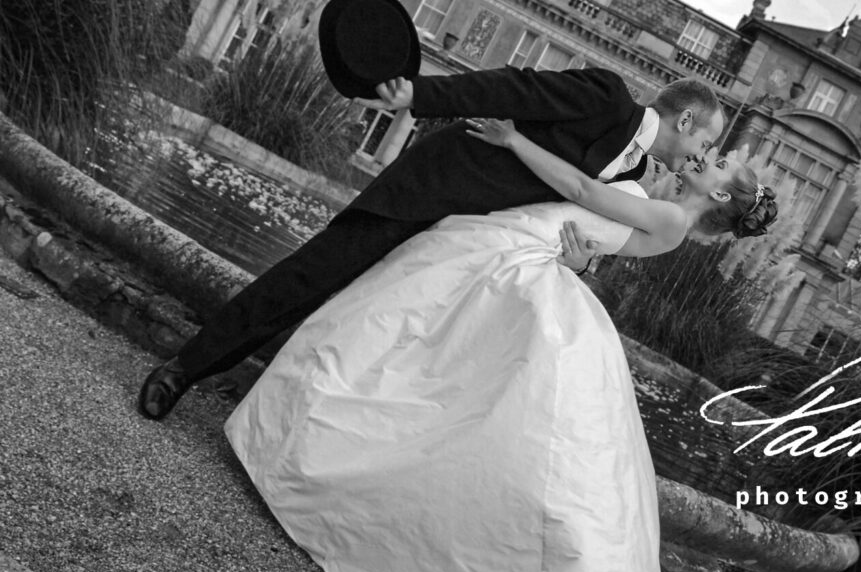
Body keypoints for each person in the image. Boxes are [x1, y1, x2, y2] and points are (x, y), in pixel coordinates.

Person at [223, 116, 776, 572]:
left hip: (516, 261)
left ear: (721, 197)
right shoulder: (660, 199)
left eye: (721, 163)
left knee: (421, 361)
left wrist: (514, 141)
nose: (712, 155)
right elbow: (595, 245)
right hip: (513, 246)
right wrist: (584, 264)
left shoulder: (673, 222)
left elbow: (583, 191)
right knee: (410, 357)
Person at [138, 67, 727, 421]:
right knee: (308, 277)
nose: (702, 154)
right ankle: (183, 370)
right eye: (707, 138)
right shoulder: (606, 96)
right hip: (432, 193)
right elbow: (511, 87)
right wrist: (416, 95)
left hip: (467, 257)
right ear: (685, 121)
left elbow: (586, 224)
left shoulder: (631, 180)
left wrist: (581, 263)